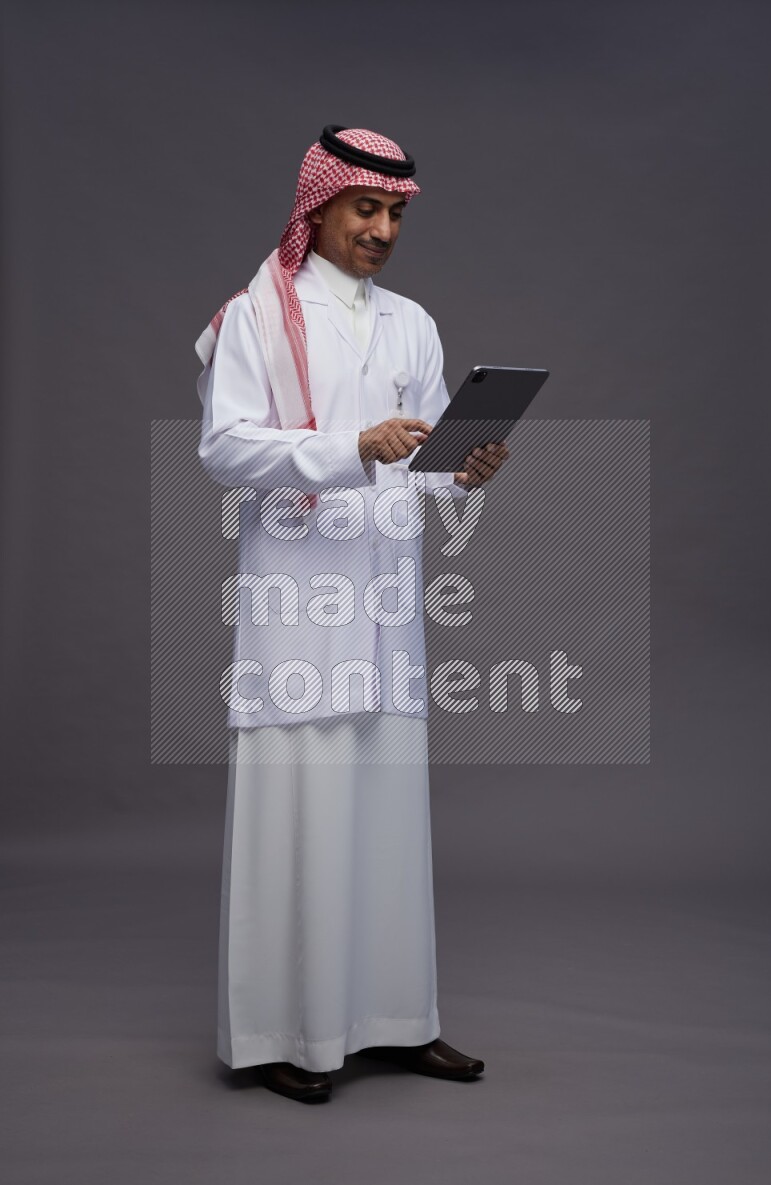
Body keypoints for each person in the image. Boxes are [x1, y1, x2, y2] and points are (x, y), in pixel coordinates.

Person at [195, 125, 508, 1103]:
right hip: (298, 601)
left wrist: (464, 470)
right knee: (301, 808)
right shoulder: (257, 315)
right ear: (317, 208)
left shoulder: (411, 325)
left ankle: (395, 1023)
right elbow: (224, 448)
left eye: (395, 214)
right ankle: (281, 1035)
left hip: (382, 602)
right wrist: (350, 448)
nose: (380, 230)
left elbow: (420, 470)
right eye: (365, 209)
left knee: (383, 813)